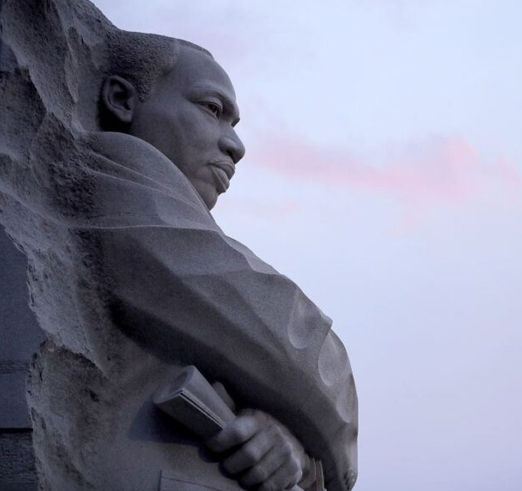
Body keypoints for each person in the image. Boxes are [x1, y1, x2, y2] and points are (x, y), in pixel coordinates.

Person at [64, 29, 358, 491]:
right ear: (122, 100)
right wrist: (331, 402)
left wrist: (297, 453)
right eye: (212, 110)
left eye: (235, 124)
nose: (235, 146)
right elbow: (284, 343)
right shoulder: (111, 168)